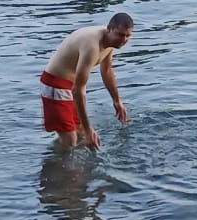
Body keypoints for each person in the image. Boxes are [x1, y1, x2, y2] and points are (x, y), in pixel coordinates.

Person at [39, 13, 134, 151]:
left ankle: (73, 164)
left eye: (128, 36)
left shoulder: (110, 41)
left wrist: (117, 100)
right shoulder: (92, 46)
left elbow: (106, 70)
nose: (123, 40)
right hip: (55, 86)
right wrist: (88, 128)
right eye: (120, 35)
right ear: (109, 29)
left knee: (80, 135)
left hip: (70, 86)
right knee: (71, 140)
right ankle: (58, 168)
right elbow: (78, 90)